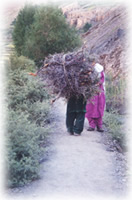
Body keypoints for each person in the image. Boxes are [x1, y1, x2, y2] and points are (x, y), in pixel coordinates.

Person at [85, 61, 105, 132]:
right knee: (90, 107)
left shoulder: (99, 68)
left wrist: (98, 83)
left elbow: (102, 78)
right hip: (91, 90)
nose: (92, 63)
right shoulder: (87, 68)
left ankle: (99, 126)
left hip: (99, 90)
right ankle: (92, 125)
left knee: (99, 107)